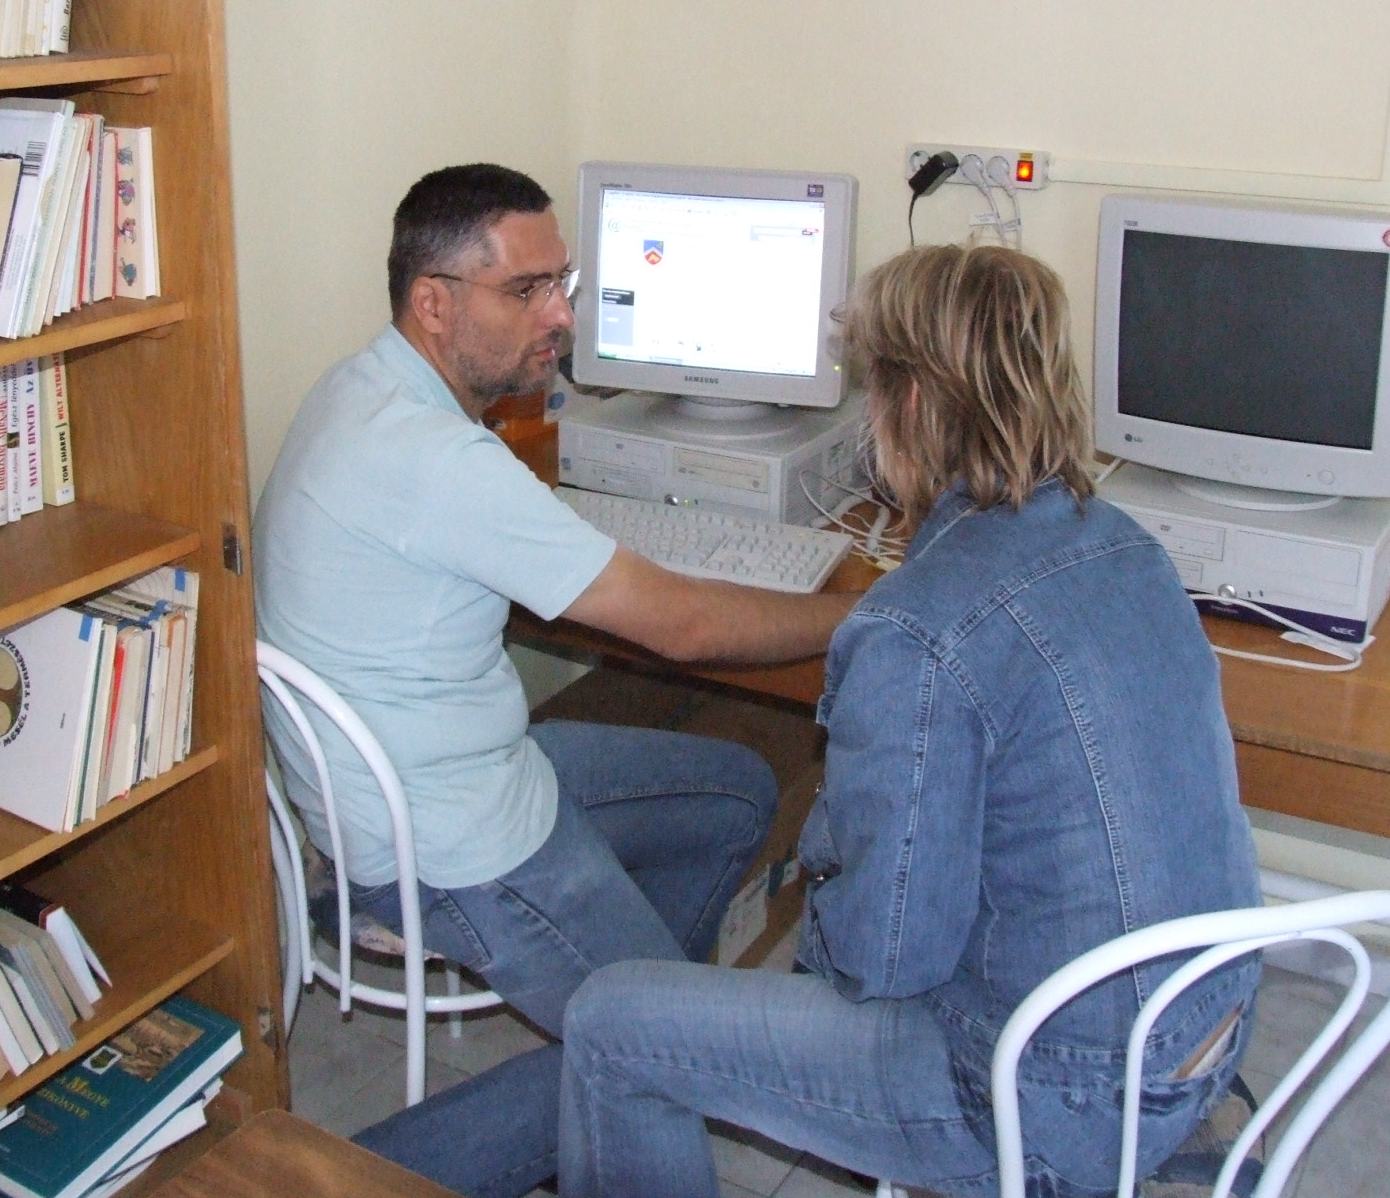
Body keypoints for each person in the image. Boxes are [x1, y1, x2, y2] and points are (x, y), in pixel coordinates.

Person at [558, 243, 1265, 1198]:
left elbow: (886, 956)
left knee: (610, 1023)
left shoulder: (915, 630)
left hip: (1049, 1097)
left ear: (914, 406)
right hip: (1201, 1031)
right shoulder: (1128, 546)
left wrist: (828, 878)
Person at [253, 164, 858, 1197]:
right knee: (664, 1054)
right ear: (433, 302)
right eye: (527, 290)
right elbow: (684, 625)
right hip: (447, 843)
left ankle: (623, 1032)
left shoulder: (359, 391)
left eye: (562, 283)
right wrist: (859, 614)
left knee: (737, 791)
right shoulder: (444, 464)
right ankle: (617, 1065)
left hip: (413, 781)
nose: (563, 316)